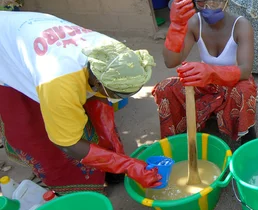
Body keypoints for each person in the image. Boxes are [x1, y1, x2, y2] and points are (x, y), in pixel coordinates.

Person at [0, 12, 160, 194]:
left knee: (94, 121)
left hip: (35, 36)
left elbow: (99, 97)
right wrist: (128, 165)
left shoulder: (113, 54)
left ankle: (108, 164)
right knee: (40, 131)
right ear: (99, 82)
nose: (122, 98)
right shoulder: (58, 81)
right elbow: (68, 144)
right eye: (118, 94)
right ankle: (69, 185)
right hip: (7, 52)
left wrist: (111, 143)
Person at [153, 0, 257, 143]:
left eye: (214, 3)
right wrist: (176, 27)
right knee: (165, 88)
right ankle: (176, 141)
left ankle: (246, 139)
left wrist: (211, 71)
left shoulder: (240, 25)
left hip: (232, 83)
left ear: (225, 2)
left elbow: (245, 70)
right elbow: (170, 61)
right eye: (201, 3)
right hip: (205, 81)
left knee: (245, 89)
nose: (207, 8)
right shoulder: (195, 22)